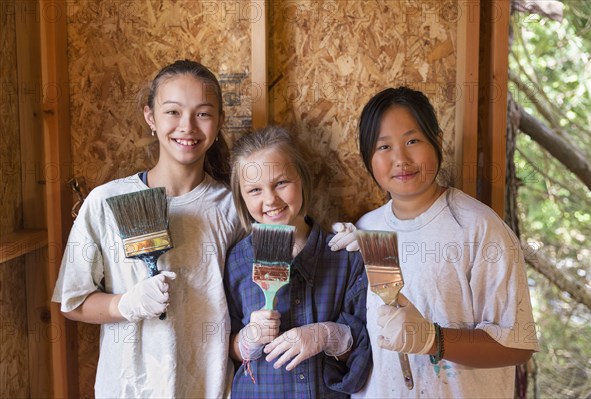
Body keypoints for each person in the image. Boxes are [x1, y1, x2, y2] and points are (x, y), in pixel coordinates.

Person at [52, 60, 245, 398]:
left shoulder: (232, 207)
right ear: (150, 117)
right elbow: (72, 303)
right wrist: (126, 305)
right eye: (173, 111)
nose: (187, 126)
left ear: (219, 123)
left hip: (209, 388)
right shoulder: (107, 201)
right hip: (129, 388)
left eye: (203, 113)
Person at [352, 87, 539, 398]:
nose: (400, 158)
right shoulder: (368, 230)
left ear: (437, 141)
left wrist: (432, 339)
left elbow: (518, 346)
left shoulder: (477, 228)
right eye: (384, 146)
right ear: (367, 159)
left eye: (413, 141)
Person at [224, 126, 372, 398]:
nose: (270, 200)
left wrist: (328, 336)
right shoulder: (236, 262)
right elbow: (224, 349)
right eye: (255, 190)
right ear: (242, 199)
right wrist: (246, 340)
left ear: (302, 179)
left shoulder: (344, 257)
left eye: (281, 183)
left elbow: (364, 352)